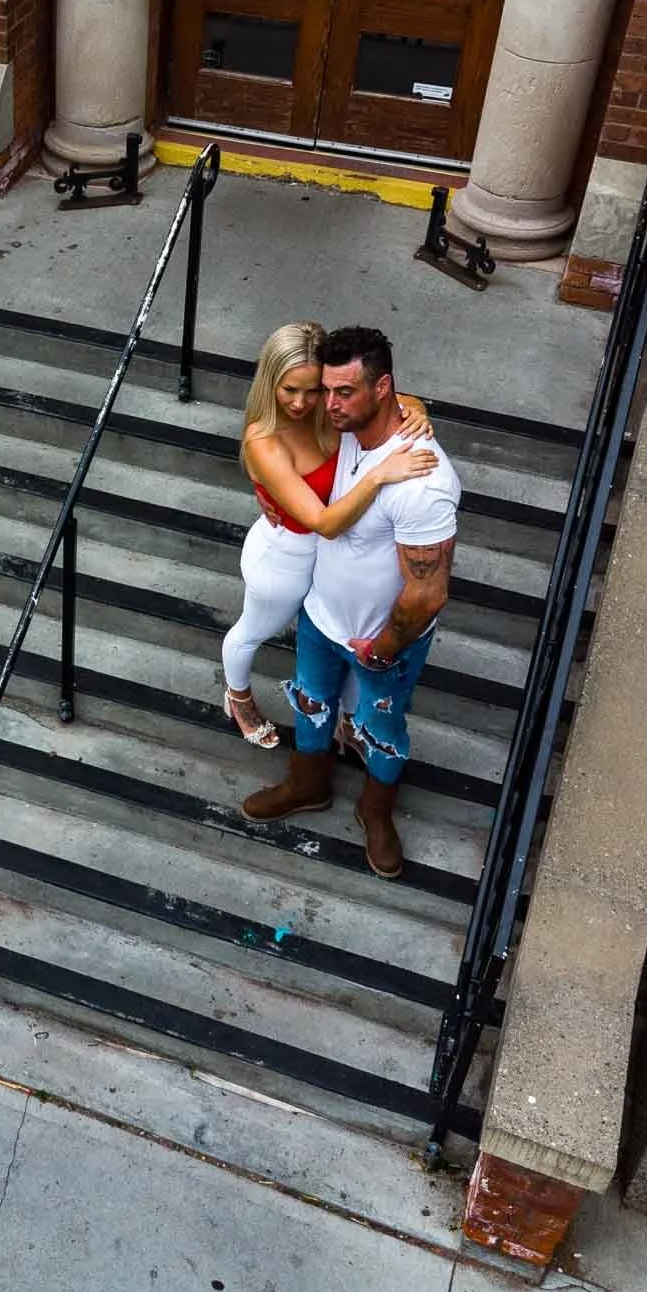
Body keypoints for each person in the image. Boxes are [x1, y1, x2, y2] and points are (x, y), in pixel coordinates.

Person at [241, 325, 460, 883]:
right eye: (325, 391)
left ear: (382, 388)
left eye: (343, 393)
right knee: (312, 702)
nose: (328, 405)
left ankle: (376, 811)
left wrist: (385, 647)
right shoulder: (344, 430)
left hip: (384, 637)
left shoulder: (421, 479)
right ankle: (307, 785)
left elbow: (428, 590)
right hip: (321, 614)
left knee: (381, 729)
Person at [222, 321, 438, 749]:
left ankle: (344, 723)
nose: (303, 403)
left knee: (340, 638)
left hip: (331, 556)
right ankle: (238, 695)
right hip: (288, 553)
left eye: (314, 390)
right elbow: (323, 521)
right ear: (271, 384)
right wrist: (379, 476)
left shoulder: (329, 405)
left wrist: (416, 409)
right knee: (252, 631)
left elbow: (382, 395)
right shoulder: (264, 439)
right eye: (290, 390)